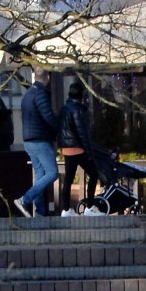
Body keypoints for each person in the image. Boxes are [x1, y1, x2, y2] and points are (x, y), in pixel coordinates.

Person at [16, 71, 60, 217]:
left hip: (28, 140)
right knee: (52, 173)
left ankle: (40, 213)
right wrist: (59, 129)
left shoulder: (28, 93)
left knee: (40, 175)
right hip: (40, 139)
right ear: (48, 78)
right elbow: (48, 116)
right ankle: (25, 199)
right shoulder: (40, 93)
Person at [58, 81, 100, 212]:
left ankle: (65, 209)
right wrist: (89, 153)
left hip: (67, 149)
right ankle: (90, 206)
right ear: (81, 95)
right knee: (94, 174)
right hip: (78, 148)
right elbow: (82, 133)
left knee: (68, 179)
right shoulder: (78, 110)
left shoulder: (64, 109)